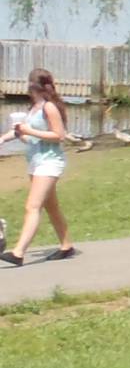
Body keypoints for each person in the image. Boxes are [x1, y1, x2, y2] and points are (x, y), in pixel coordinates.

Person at [3, 67, 75, 266]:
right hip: (36, 161)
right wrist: (7, 137)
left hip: (50, 162)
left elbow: (59, 135)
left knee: (32, 206)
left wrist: (29, 131)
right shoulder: (34, 108)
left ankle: (18, 252)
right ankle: (66, 245)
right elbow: (27, 135)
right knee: (51, 207)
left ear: (33, 86)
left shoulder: (49, 107)